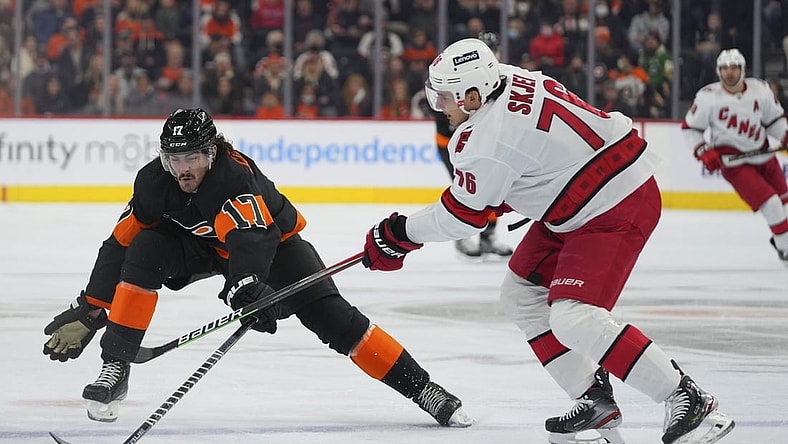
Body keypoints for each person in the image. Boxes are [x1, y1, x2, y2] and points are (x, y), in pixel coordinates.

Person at [361, 38, 735, 444]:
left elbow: (460, 217)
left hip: (614, 202)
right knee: (521, 295)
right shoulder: (508, 77)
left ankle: (688, 399)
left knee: (574, 317)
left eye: (446, 98)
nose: (440, 107)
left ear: (473, 94)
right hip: (579, 198)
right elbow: (531, 156)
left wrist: (398, 235)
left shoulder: (486, 140)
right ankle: (593, 400)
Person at [42, 108, 473, 428]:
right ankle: (116, 366)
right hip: (201, 248)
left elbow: (250, 240)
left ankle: (424, 389)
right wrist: (93, 307)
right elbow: (119, 243)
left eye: (192, 157)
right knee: (146, 247)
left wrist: (247, 290)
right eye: (174, 159)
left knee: (333, 318)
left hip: (274, 243)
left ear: (213, 152)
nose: (183, 169)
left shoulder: (233, 179)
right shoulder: (155, 182)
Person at [683, 49, 788, 265]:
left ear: (742, 69)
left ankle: (781, 243)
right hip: (735, 164)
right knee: (772, 205)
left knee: (785, 203)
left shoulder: (760, 90)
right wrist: (703, 150)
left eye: (733, 68)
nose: (729, 73)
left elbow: (775, 120)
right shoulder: (708, 97)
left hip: (765, 157)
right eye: (724, 68)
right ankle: (786, 251)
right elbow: (690, 129)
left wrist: (784, 134)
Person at [432, 31, 513, 259]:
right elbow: (441, 108)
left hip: (480, 143)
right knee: (468, 191)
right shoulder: (452, 76)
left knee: (492, 190)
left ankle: (487, 237)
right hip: (450, 144)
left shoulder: (498, 77)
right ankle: (462, 235)